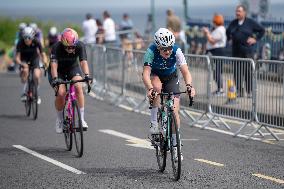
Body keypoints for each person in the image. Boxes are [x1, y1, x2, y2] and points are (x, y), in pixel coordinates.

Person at [142, 28, 196, 161]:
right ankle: (154, 124)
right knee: (157, 87)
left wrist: (189, 86)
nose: (168, 51)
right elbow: (145, 73)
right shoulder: (151, 51)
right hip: (155, 75)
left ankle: (176, 145)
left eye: (169, 48)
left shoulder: (177, 50)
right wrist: (149, 88)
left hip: (171, 77)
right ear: (158, 47)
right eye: (164, 49)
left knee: (175, 110)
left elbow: (185, 72)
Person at [48, 28, 91, 133]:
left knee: (78, 86)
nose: (71, 49)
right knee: (61, 93)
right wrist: (55, 79)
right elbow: (54, 65)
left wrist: (87, 76)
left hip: (73, 68)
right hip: (58, 71)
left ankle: (81, 119)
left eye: (73, 47)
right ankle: (60, 119)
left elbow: (83, 62)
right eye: (68, 47)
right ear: (63, 44)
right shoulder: (56, 47)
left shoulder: (80, 45)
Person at [226, 5, 265, 97]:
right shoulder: (233, 23)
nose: (237, 13)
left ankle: (249, 91)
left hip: (247, 51)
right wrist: (229, 39)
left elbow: (262, 30)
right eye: (236, 11)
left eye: (239, 11)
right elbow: (228, 32)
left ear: (244, 13)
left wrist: (255, 39)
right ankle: (239, 91)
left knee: (248, 72)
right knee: (237, 72)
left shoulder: (250, 22)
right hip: (236, 51)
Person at [15, 26, 47, 103]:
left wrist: (45, 62)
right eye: (25, 37)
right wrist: (21, 63)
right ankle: (24, 92)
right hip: (24, 60)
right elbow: (17, 58)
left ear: (32, 37)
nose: (27, 39)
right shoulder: (20, 43)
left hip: (34, 59)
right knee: (25, 71)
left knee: (36, 75)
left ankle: (37, 93)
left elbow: (43, 54)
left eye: (29, 37)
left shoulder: (36, 41)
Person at [203, 14, 227, 96]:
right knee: (216, 72)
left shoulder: (220, 30)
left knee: (218, 71)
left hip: (218, 51)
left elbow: (212, 41)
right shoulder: (218, 29)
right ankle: (219, 89)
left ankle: (221, 90)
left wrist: (207, 33)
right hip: (215, 51)